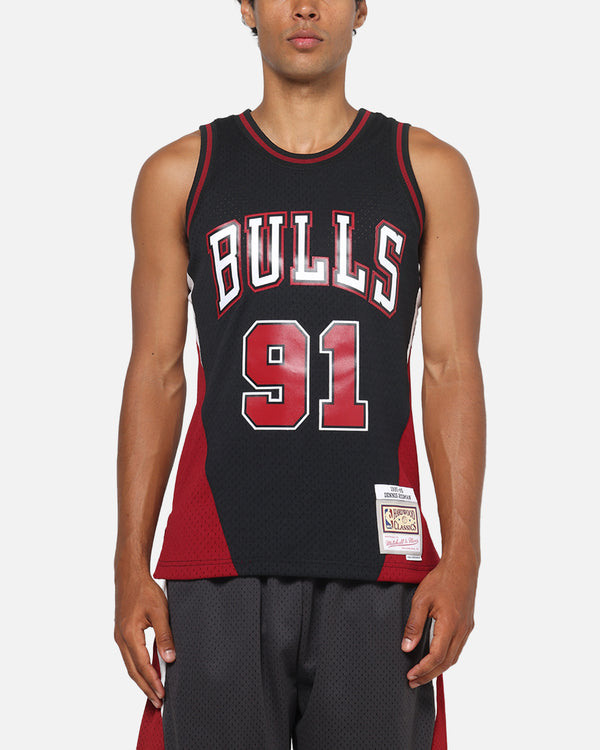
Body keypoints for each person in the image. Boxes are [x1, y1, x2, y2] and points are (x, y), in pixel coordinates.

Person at [114, 1, 485, 748]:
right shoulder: (180, 173)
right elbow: (155, 372)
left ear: (361, 8)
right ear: (247, 8)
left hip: (380, 565)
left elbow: (450, 370)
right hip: (216, 561)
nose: (306, 6)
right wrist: (130, 560)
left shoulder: (427, 170)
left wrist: (464, 556)